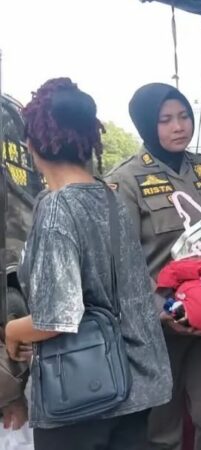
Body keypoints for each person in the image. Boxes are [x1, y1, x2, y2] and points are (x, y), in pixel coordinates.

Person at [3, 78, 172, 449]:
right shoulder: (108, 198)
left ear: (31, 145)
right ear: (88, 139)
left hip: (82, 397)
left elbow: (56, 317)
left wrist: (13, 331)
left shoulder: (56, 209)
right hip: (135, 384)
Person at [105, 83, 201, 450]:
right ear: (145, 125)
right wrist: (160, 312)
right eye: (165, 120)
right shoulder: (126, 181)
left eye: (184, 116)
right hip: (160, 329)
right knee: (161, 429)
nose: (178, 126)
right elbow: (122, 265)